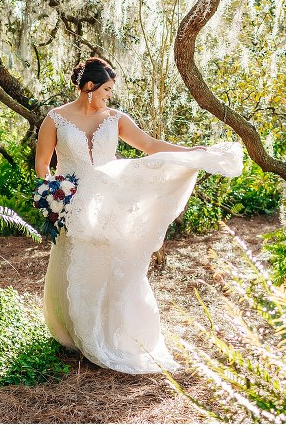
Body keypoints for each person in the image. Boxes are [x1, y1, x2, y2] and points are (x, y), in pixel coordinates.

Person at [35, 57, 243, 374]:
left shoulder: (115, 118)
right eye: (105, 89)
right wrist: (55, 192)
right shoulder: (55, 119)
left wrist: (191, 153)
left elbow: (148, 144)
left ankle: (110, 332)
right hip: (72, 202)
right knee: (75, 263)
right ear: (89, 87)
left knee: (109, 262)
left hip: (109, 199)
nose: (109, 95)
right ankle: (76, 333)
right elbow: (42, 164)